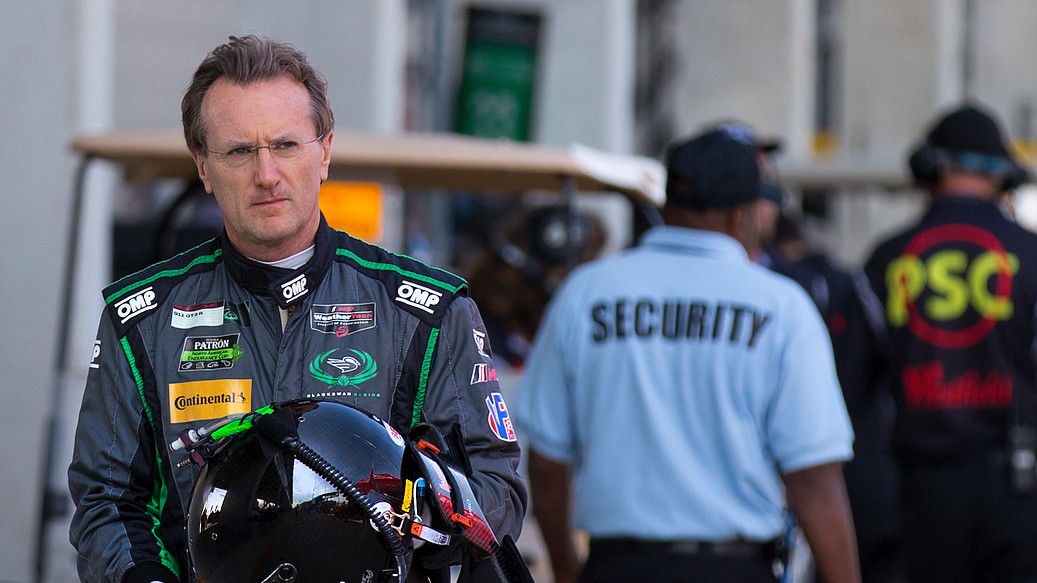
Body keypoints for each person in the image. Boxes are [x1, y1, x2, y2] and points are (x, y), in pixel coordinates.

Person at [67, 35, 527, 583]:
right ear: (204, 167)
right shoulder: (142, 320)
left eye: (285, 145)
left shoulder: (426, 315)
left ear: (324, 151)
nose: (266, 175)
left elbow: (497, 494)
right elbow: (106, 500)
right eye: (240, 151)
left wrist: (409, 502)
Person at [514, 128, 861, 583]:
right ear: (742, 215)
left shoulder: (586, 293)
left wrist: (566, 571)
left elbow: (546, 460)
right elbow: (813, 477)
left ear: (665, 204)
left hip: (618, 567)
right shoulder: (781, 307)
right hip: (733, 568)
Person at [849, 102, 1037, 582]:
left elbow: (851, 395)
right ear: (1002, 175)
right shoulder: (1031, 254)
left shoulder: (886, 259)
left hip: (924, 493)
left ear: (928, 169)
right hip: (1020, 490)